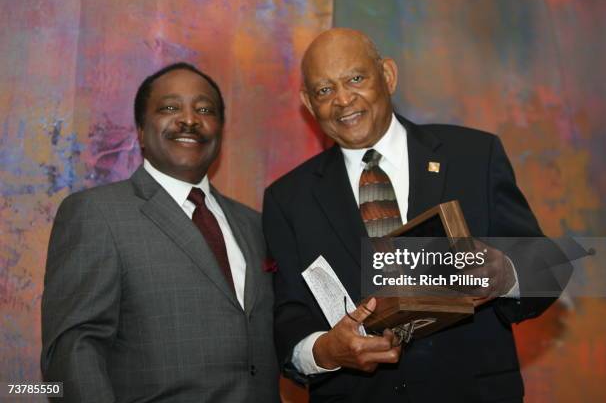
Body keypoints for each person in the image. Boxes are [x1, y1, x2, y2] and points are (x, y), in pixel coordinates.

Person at [263, 28, 560, 402]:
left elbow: (548, 267)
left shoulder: (473, 156)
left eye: (356, 78)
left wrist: (507, 273)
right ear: (308, 102)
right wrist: (324, 351)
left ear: (387, 75)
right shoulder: (287, 198)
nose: (342, 99)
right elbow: (290, 315)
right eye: (324, 90)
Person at [41, 62, 279, 402]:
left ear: (220, 130)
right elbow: (74, 352)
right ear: (140, 130)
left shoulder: (254, 225)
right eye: (170, 108)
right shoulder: (96, 213)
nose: (189, 120)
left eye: (205, 110)